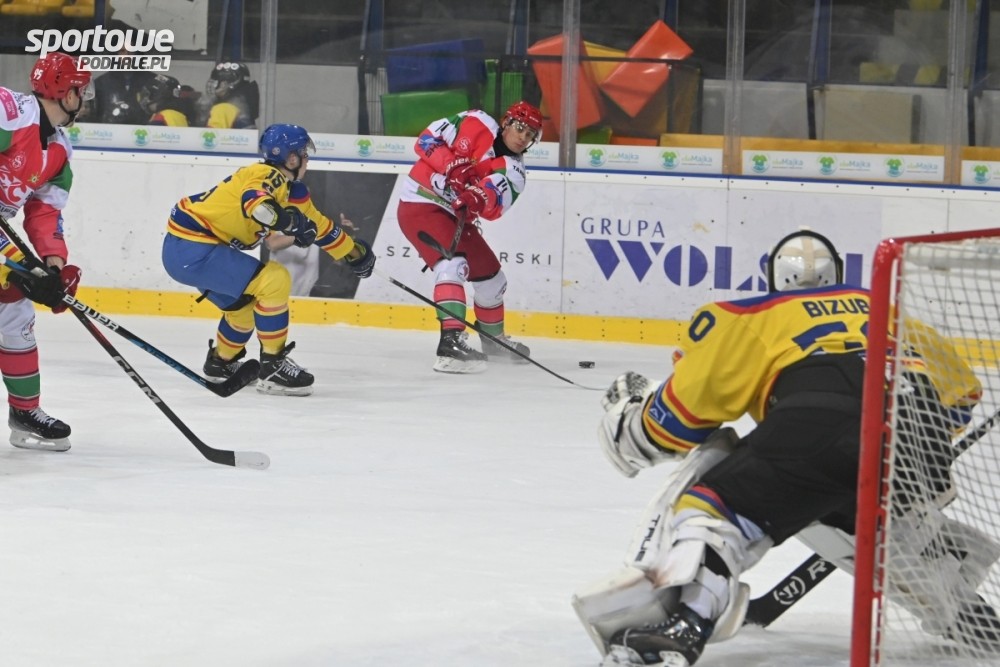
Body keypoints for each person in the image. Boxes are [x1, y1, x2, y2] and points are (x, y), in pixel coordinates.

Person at [573, 230, 995, 666]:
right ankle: (956, 600)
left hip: (822, 418)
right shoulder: (881, 306)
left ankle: (686, 624)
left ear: (773, 278)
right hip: (921, 443)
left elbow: (672, 429)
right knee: (834, 494)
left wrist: (628, 413)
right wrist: (900, 437)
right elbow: (963, 393)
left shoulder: (751, 315)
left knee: (713, 501)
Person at [161, 123, 375, 396]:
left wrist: (353, 253)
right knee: (274, 280)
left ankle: (220, 363)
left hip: (186, 250)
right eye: (304, 154)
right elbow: (259, 207)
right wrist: (291, 223)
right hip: (194, 248)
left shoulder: (289, 190)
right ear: (291, 159)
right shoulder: (267, 175)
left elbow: (319, 227)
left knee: (243, 309)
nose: (307, 159)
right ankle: (273, 368)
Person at [396, 100, 542, 374]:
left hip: (456, 218)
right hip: (421, 202)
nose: (523, 137)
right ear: (506, 123)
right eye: (520, 128)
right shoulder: (476, 120)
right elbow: (425, 140)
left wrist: (476, 197)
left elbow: (493, 206)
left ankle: (493, 342)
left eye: (530, 134)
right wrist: (451, 165)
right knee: (453, 265)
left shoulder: (514, 172)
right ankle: (449, 346)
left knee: (493, 280)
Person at [0, 52, 88, 451]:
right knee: (17, 281)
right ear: (66, 94)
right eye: (80, 91)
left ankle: (24, 412)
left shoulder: (59, 150)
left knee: (16, 308)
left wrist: (53, 267)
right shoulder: (10, 113)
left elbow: (45, 210)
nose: (82, 99)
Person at [81, 20, 153, 124]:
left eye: (131, 51)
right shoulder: (100, 84)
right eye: (122, 51)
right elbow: (93, 117)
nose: (127, 56)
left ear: (138, 53)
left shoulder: (153, 82)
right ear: (115, 54)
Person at [203, 61, 259, 129]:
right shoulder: (243, 107)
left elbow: (212, 134)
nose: (213, 85)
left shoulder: (223, 109)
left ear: (226, 83)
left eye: (216, 81)